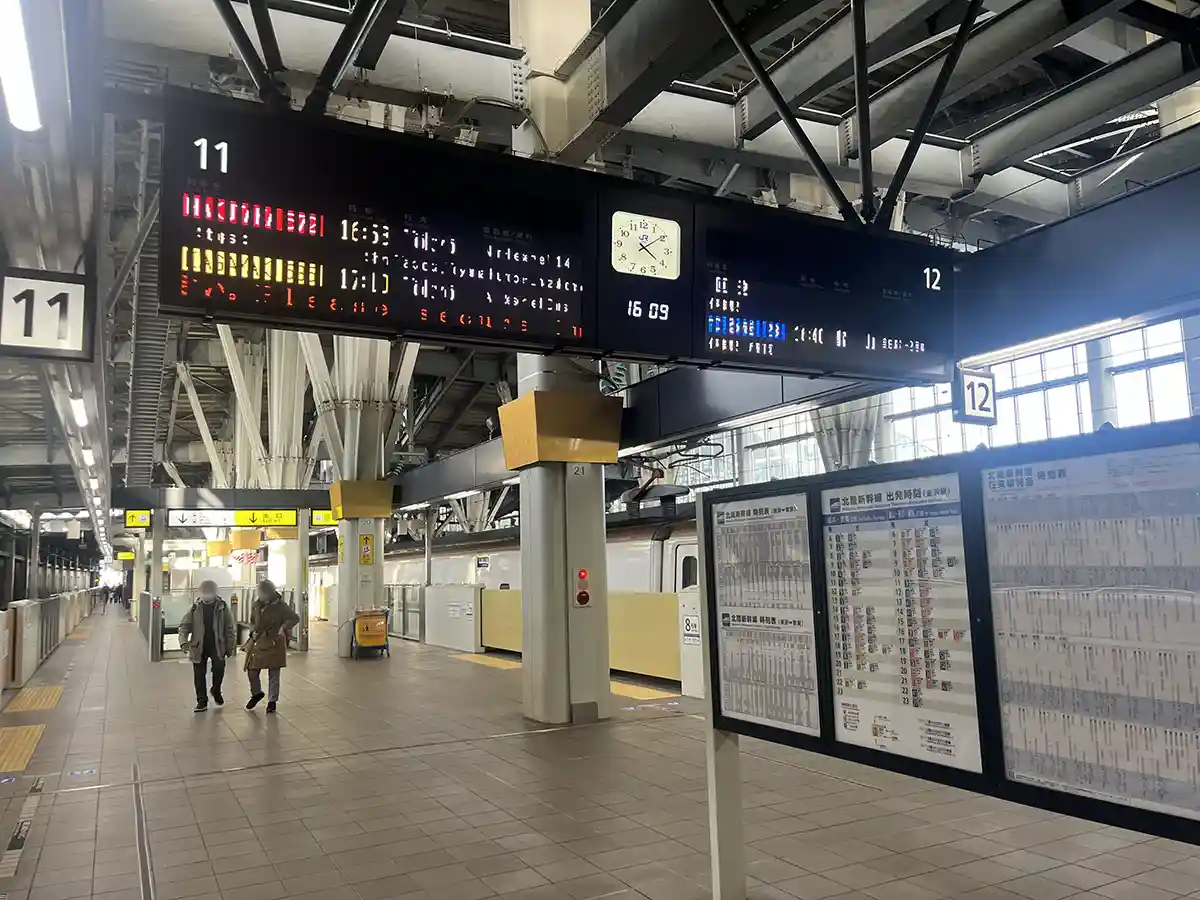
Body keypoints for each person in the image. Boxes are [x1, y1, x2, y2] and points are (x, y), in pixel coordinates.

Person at [178, 580, 236, 712]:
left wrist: (230, 646)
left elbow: (229, 628)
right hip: (199, 645)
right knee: (199, 674)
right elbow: (184, 626)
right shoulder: (195, 607)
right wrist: (183, 642)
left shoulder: (222, 607)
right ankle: (202, 701)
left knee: (219, 669)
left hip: (217, 644)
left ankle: (216, 690)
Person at [243, 580, 299, 714]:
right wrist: (252, 631)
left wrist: (283, 628)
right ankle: (256, 693)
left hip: (274, 641)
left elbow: (294, 618)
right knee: (252, 669)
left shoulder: (280, 606)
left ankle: (272, 701)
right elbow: (252, 621)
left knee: (274, 672)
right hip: (259, 640)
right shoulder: (256, 605)